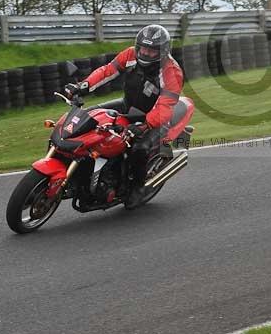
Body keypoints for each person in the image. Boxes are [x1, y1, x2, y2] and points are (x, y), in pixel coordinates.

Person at [64, 24, 183, 209]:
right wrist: (84, 86)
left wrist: (145, 126)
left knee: (139, 148)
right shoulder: (129, 55)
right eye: (143, 48)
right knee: (88, 116)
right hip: (128, 105)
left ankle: (138, 188)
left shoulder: (171, 72)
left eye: (152, 51)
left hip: (154, 118)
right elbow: (107, 71)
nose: (146, 53)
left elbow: (166, 106)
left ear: (163, 52)